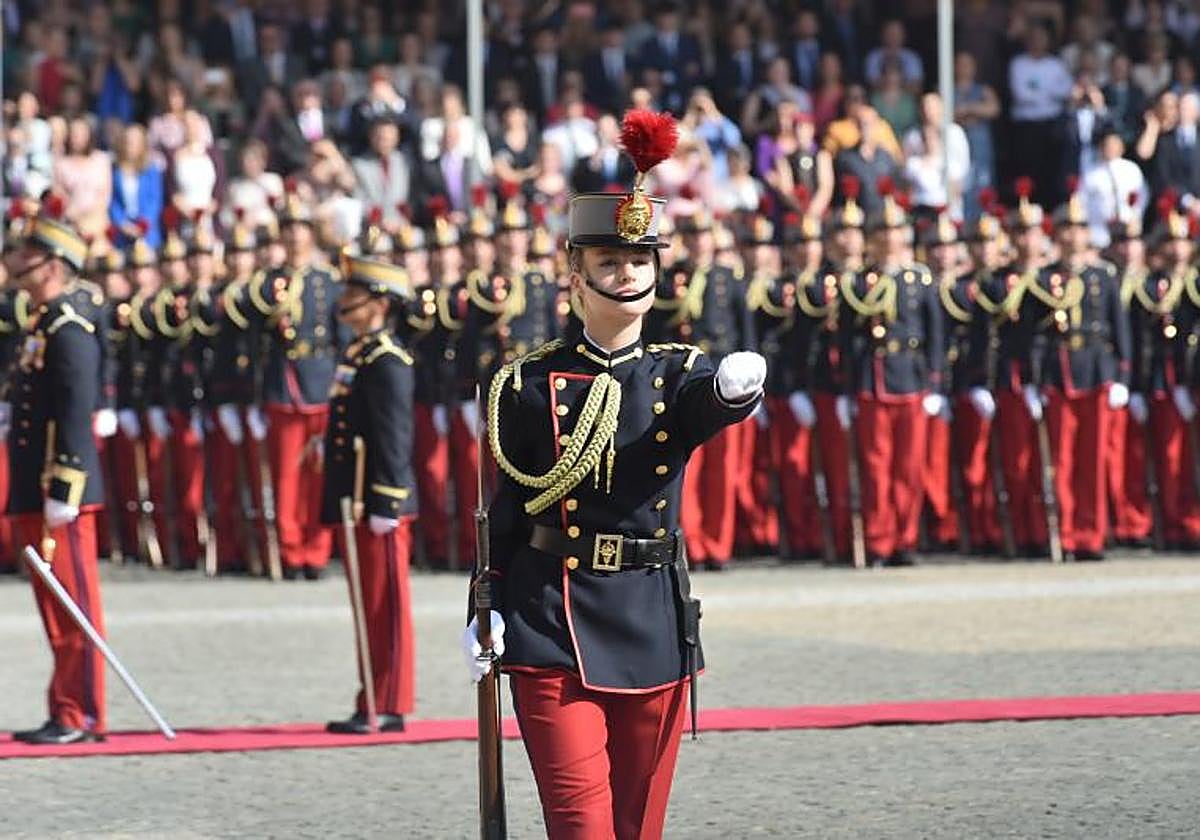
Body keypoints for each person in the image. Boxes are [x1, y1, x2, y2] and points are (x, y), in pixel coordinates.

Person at [463, 109, 765, 839]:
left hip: (650, 617)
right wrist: (486, 600)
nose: (626, 272)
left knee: (639, 827)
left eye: (638, 261)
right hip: (551, 620)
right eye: (608, 261)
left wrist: (734, 394)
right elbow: (508, 506)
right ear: (576, 276)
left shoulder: (679, 372)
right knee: (581, 826)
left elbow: (704, 407)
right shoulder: (527, 383)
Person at [7, 207, 108, 745]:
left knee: (75, 607)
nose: (16, 262)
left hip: (60, 489)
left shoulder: (68, 328)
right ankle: (63, 706)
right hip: (35, 484)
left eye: (28, 255)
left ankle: (82, 713)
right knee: (53, 607)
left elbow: (75, 411)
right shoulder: (43, 323)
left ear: (51, 266)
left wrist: (64, 486)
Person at [321, 248, 417, 735]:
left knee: (386, 607)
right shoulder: (360, 353)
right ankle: (371, 698)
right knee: (368, 607)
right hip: (357, 498)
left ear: (379, 304)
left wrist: (387, 501)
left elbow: (394, 438)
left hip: (378, 500)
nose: (344, 301)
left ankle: (391, 702)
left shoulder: (387, 362)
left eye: (354, 294)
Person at [838, 180, 944, 566]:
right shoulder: (857, 284)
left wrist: (935, 383)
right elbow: (847, 341)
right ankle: (879, 541)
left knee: (909, 467)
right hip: (873, 380)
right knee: (876, 467)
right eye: (882, 231)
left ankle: (906, 539)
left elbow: (935, 334)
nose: (889, 238)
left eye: (895, 230)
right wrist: (847, 389)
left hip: (911, 379)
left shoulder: (919, 280)